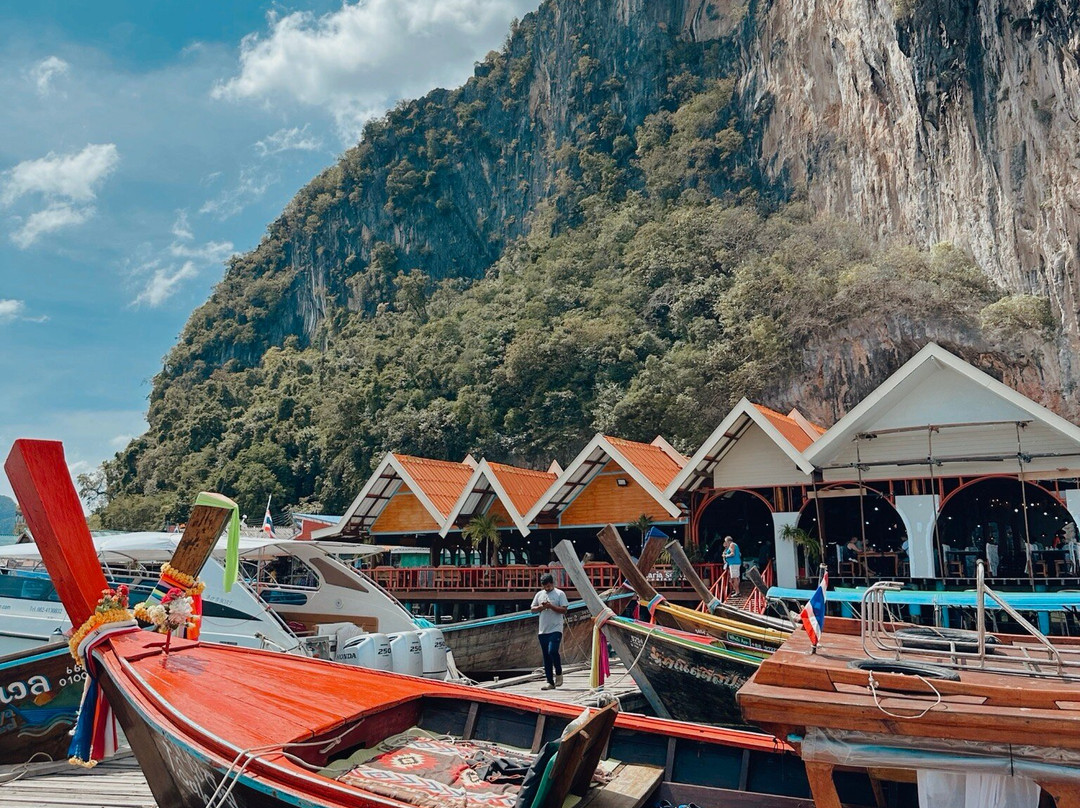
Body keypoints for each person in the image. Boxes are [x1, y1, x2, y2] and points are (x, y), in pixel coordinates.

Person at [531, 572, 569, 690]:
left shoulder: (559, 594)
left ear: (552, 583)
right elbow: (532, 609)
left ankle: (558, 671)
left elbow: (564, 610)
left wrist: (551, 606)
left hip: (555, 628)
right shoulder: (539, 594)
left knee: (552, 651)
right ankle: (550, 682)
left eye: (548, 586)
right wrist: (541, 607)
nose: (547, 588)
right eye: (545, 586)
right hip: (543, 629)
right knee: (546, 656)